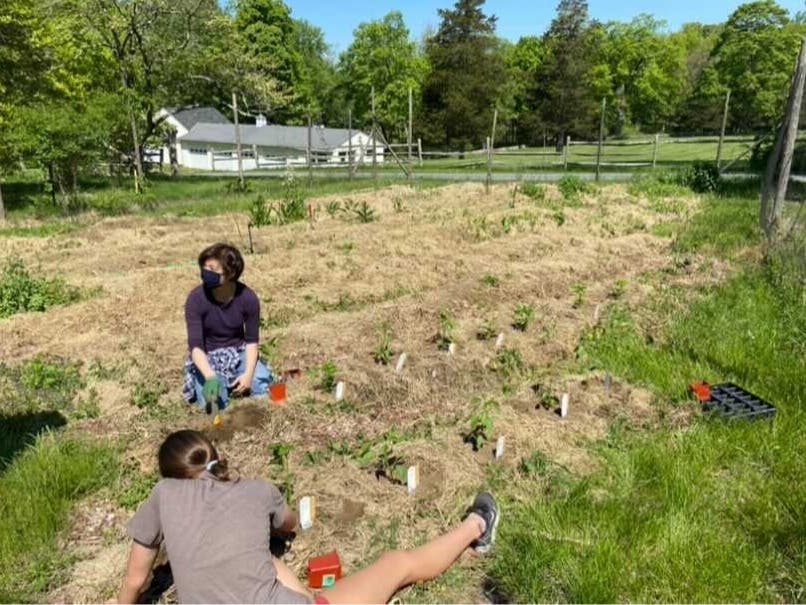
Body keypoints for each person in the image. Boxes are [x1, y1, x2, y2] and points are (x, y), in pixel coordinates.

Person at [113, 430, 500, 604]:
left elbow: (136, 578)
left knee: (268, 563)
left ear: (170, 475)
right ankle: (478, 524)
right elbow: (287, 525)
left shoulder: (163, 494)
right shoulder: (256, 490)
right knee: (396, 564)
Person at [183, 243, 273, 412]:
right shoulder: (195, 300)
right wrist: (210, 376)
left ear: (231, 273)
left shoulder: (248, 298)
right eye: (204, 268)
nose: (205, 273)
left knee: (261, 382)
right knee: (213, 403)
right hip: (207, 356)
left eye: (212, 269)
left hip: (238, 352)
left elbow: (252, 341)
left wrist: (248, 375)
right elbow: (195, 346)